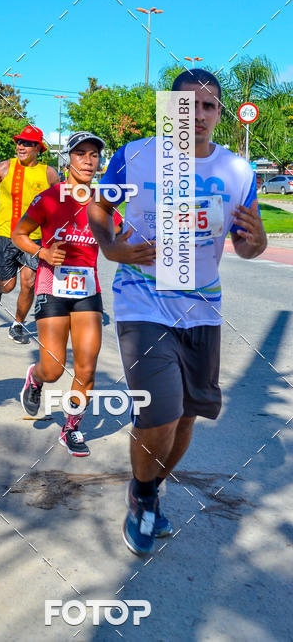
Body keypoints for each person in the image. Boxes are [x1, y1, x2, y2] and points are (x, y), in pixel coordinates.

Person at [87, 69, 267, 555]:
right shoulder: (136, 157)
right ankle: (144, 501)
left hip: (203, 310)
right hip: (142, 301)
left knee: (186, 418)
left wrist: (258, 243)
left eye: (209, 106)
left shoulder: (238, 172)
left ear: (218, 115)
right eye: (188, 106)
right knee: (159, 412)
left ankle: (146, 492)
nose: (199, 115)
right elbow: (99, 210)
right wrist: (112, 249)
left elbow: (247, 246)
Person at [12, 132, 122, 455]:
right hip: (52, 286)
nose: (88, 161)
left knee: (87, 368)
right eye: (80, 154)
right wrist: (42, 253)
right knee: (55, 367)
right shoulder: (49, 198)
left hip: (88, 289)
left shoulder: (104, 203)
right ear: (68, 159)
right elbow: (19, 234)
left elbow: (124, 235)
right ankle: (35, 378)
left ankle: (71, 427)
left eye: (94, 155)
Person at [0, 125, 60, 342]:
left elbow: (61, 201)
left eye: (27, 143)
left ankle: (17, 325)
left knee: (28, 283)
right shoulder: (4, 168)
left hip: (34, 237)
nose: (21, 146)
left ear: (38, 147)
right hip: (6, 234)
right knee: (9, 285)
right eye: (19, 142)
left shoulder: (49, 173)